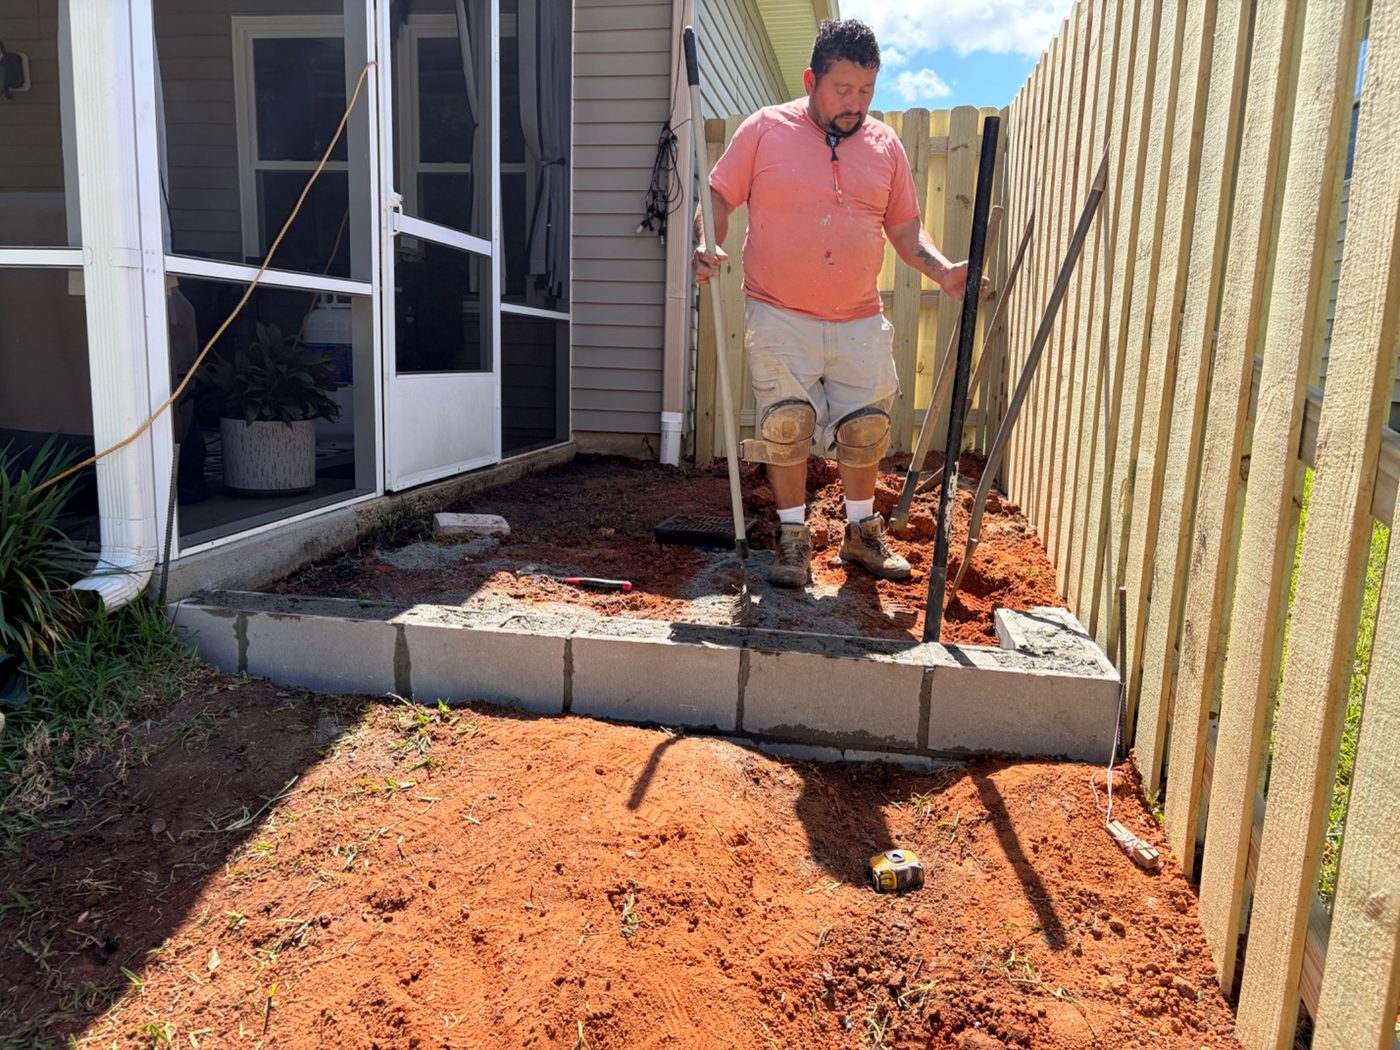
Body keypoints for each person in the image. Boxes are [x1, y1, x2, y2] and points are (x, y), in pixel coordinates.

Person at [694, 18, 985, 588]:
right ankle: (792, 539)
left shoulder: (884, 146)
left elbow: (905, 230)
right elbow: (719, 194)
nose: (856, 104)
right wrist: (707, 240)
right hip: (779, 311)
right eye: (843, 90)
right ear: (811, 80)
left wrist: (942, 269)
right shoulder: (764, 130)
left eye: (867, 91)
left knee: (865, 429)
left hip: (857, 316)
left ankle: (859, 534)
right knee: (786, 426)